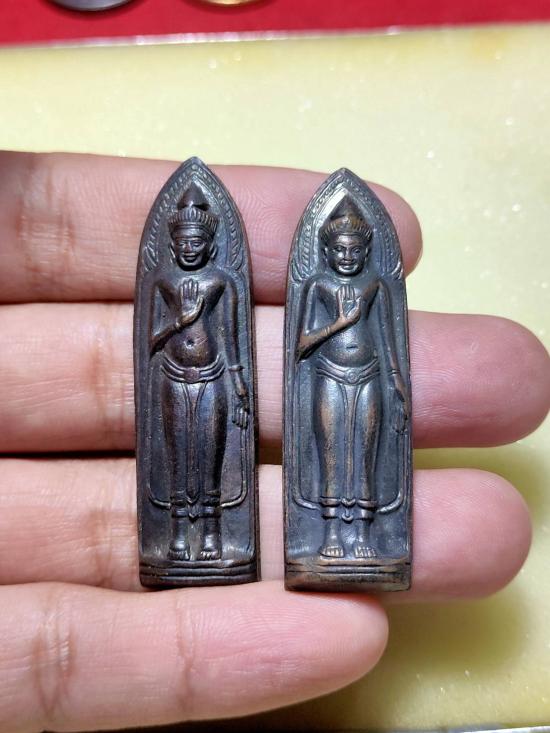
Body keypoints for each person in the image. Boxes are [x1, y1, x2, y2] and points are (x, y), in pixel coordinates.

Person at [0, 152, 547, 732]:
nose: (345, 258)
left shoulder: (340, 287)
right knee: (188, 459)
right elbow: (182, 341)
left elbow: (287, 344)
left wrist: (382, 382)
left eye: (353, 251)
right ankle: (187, 541)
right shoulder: (194, 282)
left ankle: (316, 541)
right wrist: (190, 316)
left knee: (341, 460)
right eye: (184, 241)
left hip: (281, 378)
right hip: (198, 377)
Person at [297, 198, 409, 559]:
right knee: (331, 453)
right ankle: (330, 532)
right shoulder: (318, 286)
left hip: (369, 376)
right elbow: (301, 345)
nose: (347, 257)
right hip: (329, 374)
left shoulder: (375, 285)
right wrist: (340, 323)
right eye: (340, 250)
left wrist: (397, 381)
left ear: (366, 252)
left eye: (355, 250)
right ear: (326, 252)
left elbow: (389, 339)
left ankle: (363, 535)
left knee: (364, 452)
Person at [148, 182, 248, 561]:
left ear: (210, 245)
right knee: (177, 453)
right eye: (184, 243)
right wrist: (181, 320)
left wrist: (239, 383)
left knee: (210, 453)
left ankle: (211, 534)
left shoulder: (221, 282)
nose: (190, 249)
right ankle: (177, 535)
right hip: (174, 377)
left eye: (197, 242)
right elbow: (149, 342)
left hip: (213, 376)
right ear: (173, 245)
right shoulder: (163, 281)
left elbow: (233, 337)